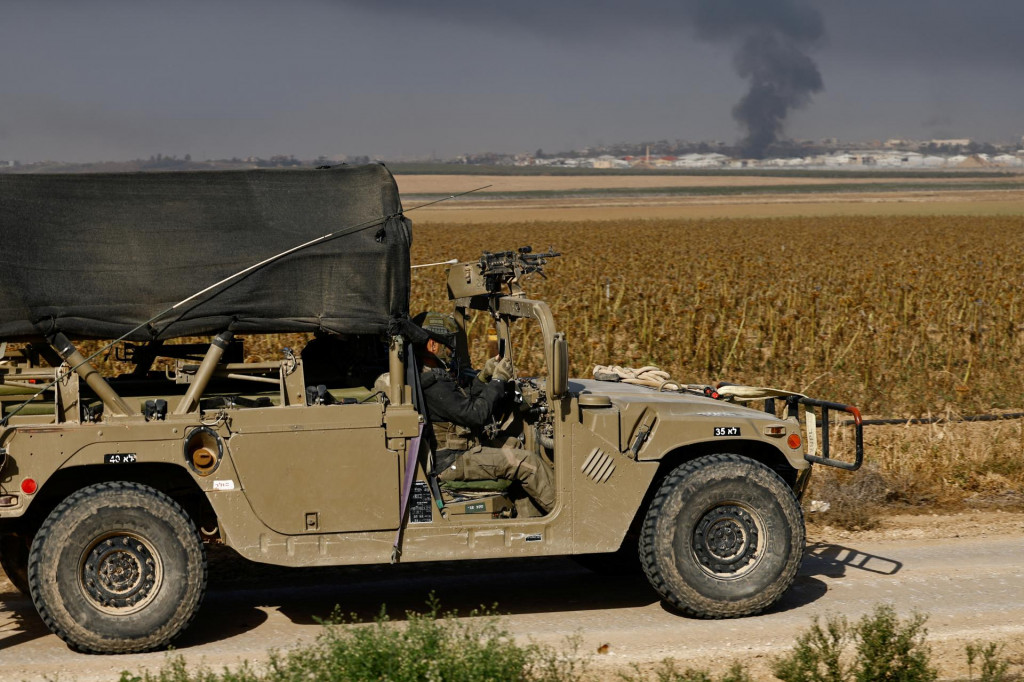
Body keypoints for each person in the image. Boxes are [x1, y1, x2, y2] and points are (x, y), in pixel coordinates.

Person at [415, 311, 555, 516]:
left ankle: (529, 521)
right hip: (452, 460)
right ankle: (571, 520)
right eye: (448, 345)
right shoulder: (432, 382)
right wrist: (498, 381)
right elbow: (475, 415)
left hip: (458, 451)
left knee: (515, 445)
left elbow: (461, 403)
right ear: (432, 346)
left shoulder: (429, 373)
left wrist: (484, 376)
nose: (451, 351)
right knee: (528, 463)